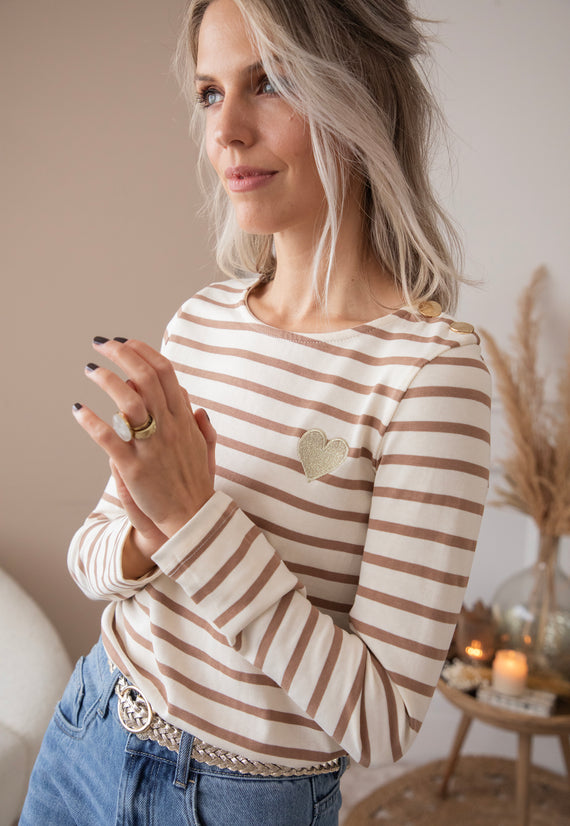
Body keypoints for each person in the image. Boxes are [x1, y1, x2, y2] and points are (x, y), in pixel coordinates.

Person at [20, 1, 491, 823]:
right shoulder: (201, 320)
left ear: (360, 96)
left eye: (268, 83)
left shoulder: (431, 372)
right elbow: (91, 560)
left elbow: (379, 720)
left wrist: (194, 519)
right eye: (210, 92)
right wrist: (146, 533)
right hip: (87, 730)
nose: (225, 131)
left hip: (239, 801)